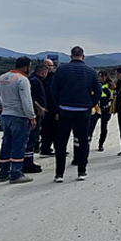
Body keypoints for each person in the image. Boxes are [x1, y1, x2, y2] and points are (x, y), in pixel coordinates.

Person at [51, 46, 100, 182]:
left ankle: (59, 174)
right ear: (83, 57)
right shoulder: (91, 72)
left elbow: (53, 90)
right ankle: (81, 171)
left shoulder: (61, 70)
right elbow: (98, 92)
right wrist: (90, 104)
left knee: (61, 142)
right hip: (83, 111)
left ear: (71, 56)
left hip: (65, 109)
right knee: (83, 141)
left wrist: (58, 105)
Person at [0, 57, 37, 184]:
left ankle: (4, 172)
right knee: (19, 145)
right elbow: (26, 101)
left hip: (5, 115)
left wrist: (1, 106)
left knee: (6, 143)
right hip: (19, 116)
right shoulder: (22, 79)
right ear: (26, 67)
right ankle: (16, 174)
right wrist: (31, 117)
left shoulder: (3, 77)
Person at [24, 64, 48, 173]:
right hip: (34, 114)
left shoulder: (34, 80)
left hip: (35, 113)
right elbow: (31, 97)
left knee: (33, 139)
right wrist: (39, 108)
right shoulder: (35, 81)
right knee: (32, 139)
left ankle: (28, 162)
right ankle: (28, 164)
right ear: (43, 72)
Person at [89, 70, 115, 152]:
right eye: (99, 76)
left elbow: (112, 97)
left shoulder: (110, 85)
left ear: (106, 76)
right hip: (96, 108)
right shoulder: (95, 84)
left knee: (104, 127)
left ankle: (101, 144)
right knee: (91, 126)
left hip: (106, 108)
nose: (100, 78)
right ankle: (88, 142)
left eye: (101, 76)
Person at [39, 58, 59, 157]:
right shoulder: (40, 78)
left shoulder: (54, 77)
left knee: (55, 130)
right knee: (45, 130)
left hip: (52, 107)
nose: (50, 68)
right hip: (42, 108)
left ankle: (57, 148)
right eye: (48, 65)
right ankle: (45, 148)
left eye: (51, 66)